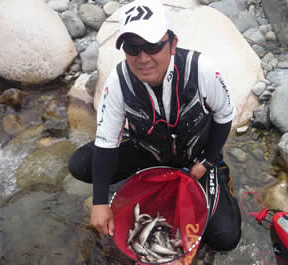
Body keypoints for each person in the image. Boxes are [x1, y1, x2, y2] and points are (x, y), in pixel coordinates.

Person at [69, 0, 241, 251]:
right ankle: (146, 178)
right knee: (81, 165)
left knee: (225, 238)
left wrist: (207, 161)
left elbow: (224, 116)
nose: (143, 58)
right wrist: (99, 203)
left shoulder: (201, 69)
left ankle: (218, 176)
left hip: (196, 160)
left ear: (172, 44)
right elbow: (106, 142)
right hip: (147, 153)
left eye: (152, 46)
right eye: (132, 48)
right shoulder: (118, 81)